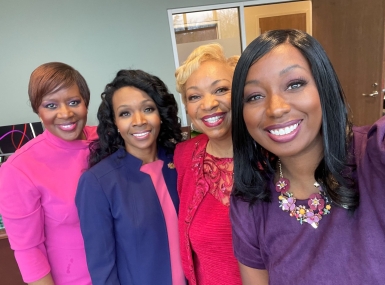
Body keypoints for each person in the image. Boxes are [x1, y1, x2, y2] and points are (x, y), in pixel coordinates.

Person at [230, 29, 385, 284]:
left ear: (324, 86)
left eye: (294, 84)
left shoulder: (373, 155)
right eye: (255, 96)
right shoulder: (249, 200)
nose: (276, 108)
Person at [75, 69, 185, 285]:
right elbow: (102, 269)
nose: (138, 120)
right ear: (115, 122)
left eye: (148, 109)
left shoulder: (182, 162)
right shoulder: (98, 182)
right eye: (125, 113)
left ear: (160, 114)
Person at [0, 62, 96, 285]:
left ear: (86, 103)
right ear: (38, 110)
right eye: (51, 105)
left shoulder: (107, 141)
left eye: (74, 102)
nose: (65, 113)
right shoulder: (19, 168)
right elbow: (28, 250)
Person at [174, 43, 241, 284]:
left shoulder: (273, 155)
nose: (208, 104)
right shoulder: (184, 155)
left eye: (221, 89)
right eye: (194, 96)